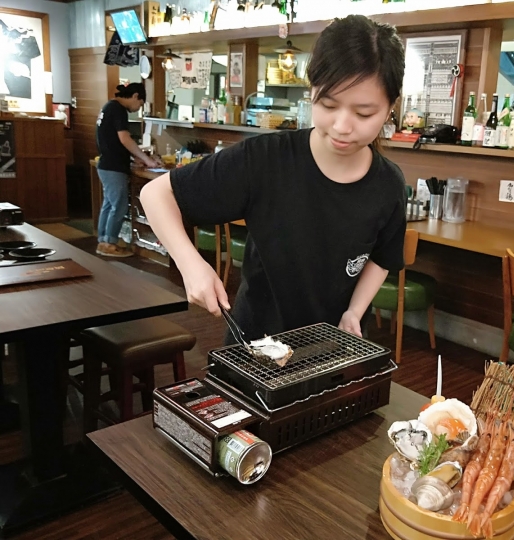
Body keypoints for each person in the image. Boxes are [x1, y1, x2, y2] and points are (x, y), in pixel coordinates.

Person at [139, 15, 407, 341]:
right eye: (328, 104)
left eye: (363, 113)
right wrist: (190, 264)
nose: (342, 125)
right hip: (256, 349)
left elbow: (381, 257)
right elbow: (155, 195)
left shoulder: (388, 185)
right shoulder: (266, 160)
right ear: (312, 90)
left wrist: (355, 311)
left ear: (391, 106)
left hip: (333, 350)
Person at [96, 82, 162, 257]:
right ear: (135, 96)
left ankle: (103, 240)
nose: (138, 108)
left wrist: (136, 158)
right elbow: (124, 139)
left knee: (109, 204)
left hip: (106, 164)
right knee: (119, 205)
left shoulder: (108, 107)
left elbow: (115, 142)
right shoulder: (118, 109)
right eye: (140, 104)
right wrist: (147, 159)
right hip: (113, 166)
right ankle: (108, 243)